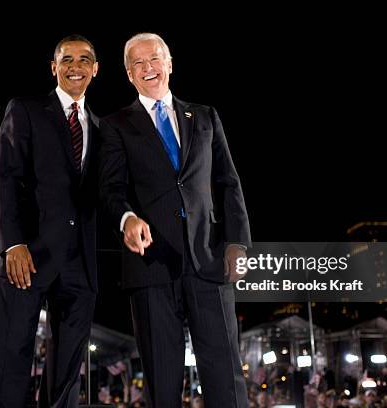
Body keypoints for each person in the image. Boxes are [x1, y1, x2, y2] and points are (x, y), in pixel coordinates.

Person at [99, 33, 251, 407]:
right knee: (162, 380)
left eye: (154, 59)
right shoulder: (115, 125)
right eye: (138, 63)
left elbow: (228, 183)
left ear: (169, 64)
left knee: (225, 375)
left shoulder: (204, 115)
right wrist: (127, 218)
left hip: (209, 262)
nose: (148, 67)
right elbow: (110, 189)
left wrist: (237, 243)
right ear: (129, 74)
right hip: (151, 266)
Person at [0, 34, 100, 408]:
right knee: (8, 356)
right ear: (53, 67)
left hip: (79, 264)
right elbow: (5, 177)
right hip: (27, 255)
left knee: (67, 371)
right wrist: (12, 243)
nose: (74, 67)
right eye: (66, 60)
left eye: (83, 60)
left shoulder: (101, 126)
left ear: (95, 70)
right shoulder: (25, 110)